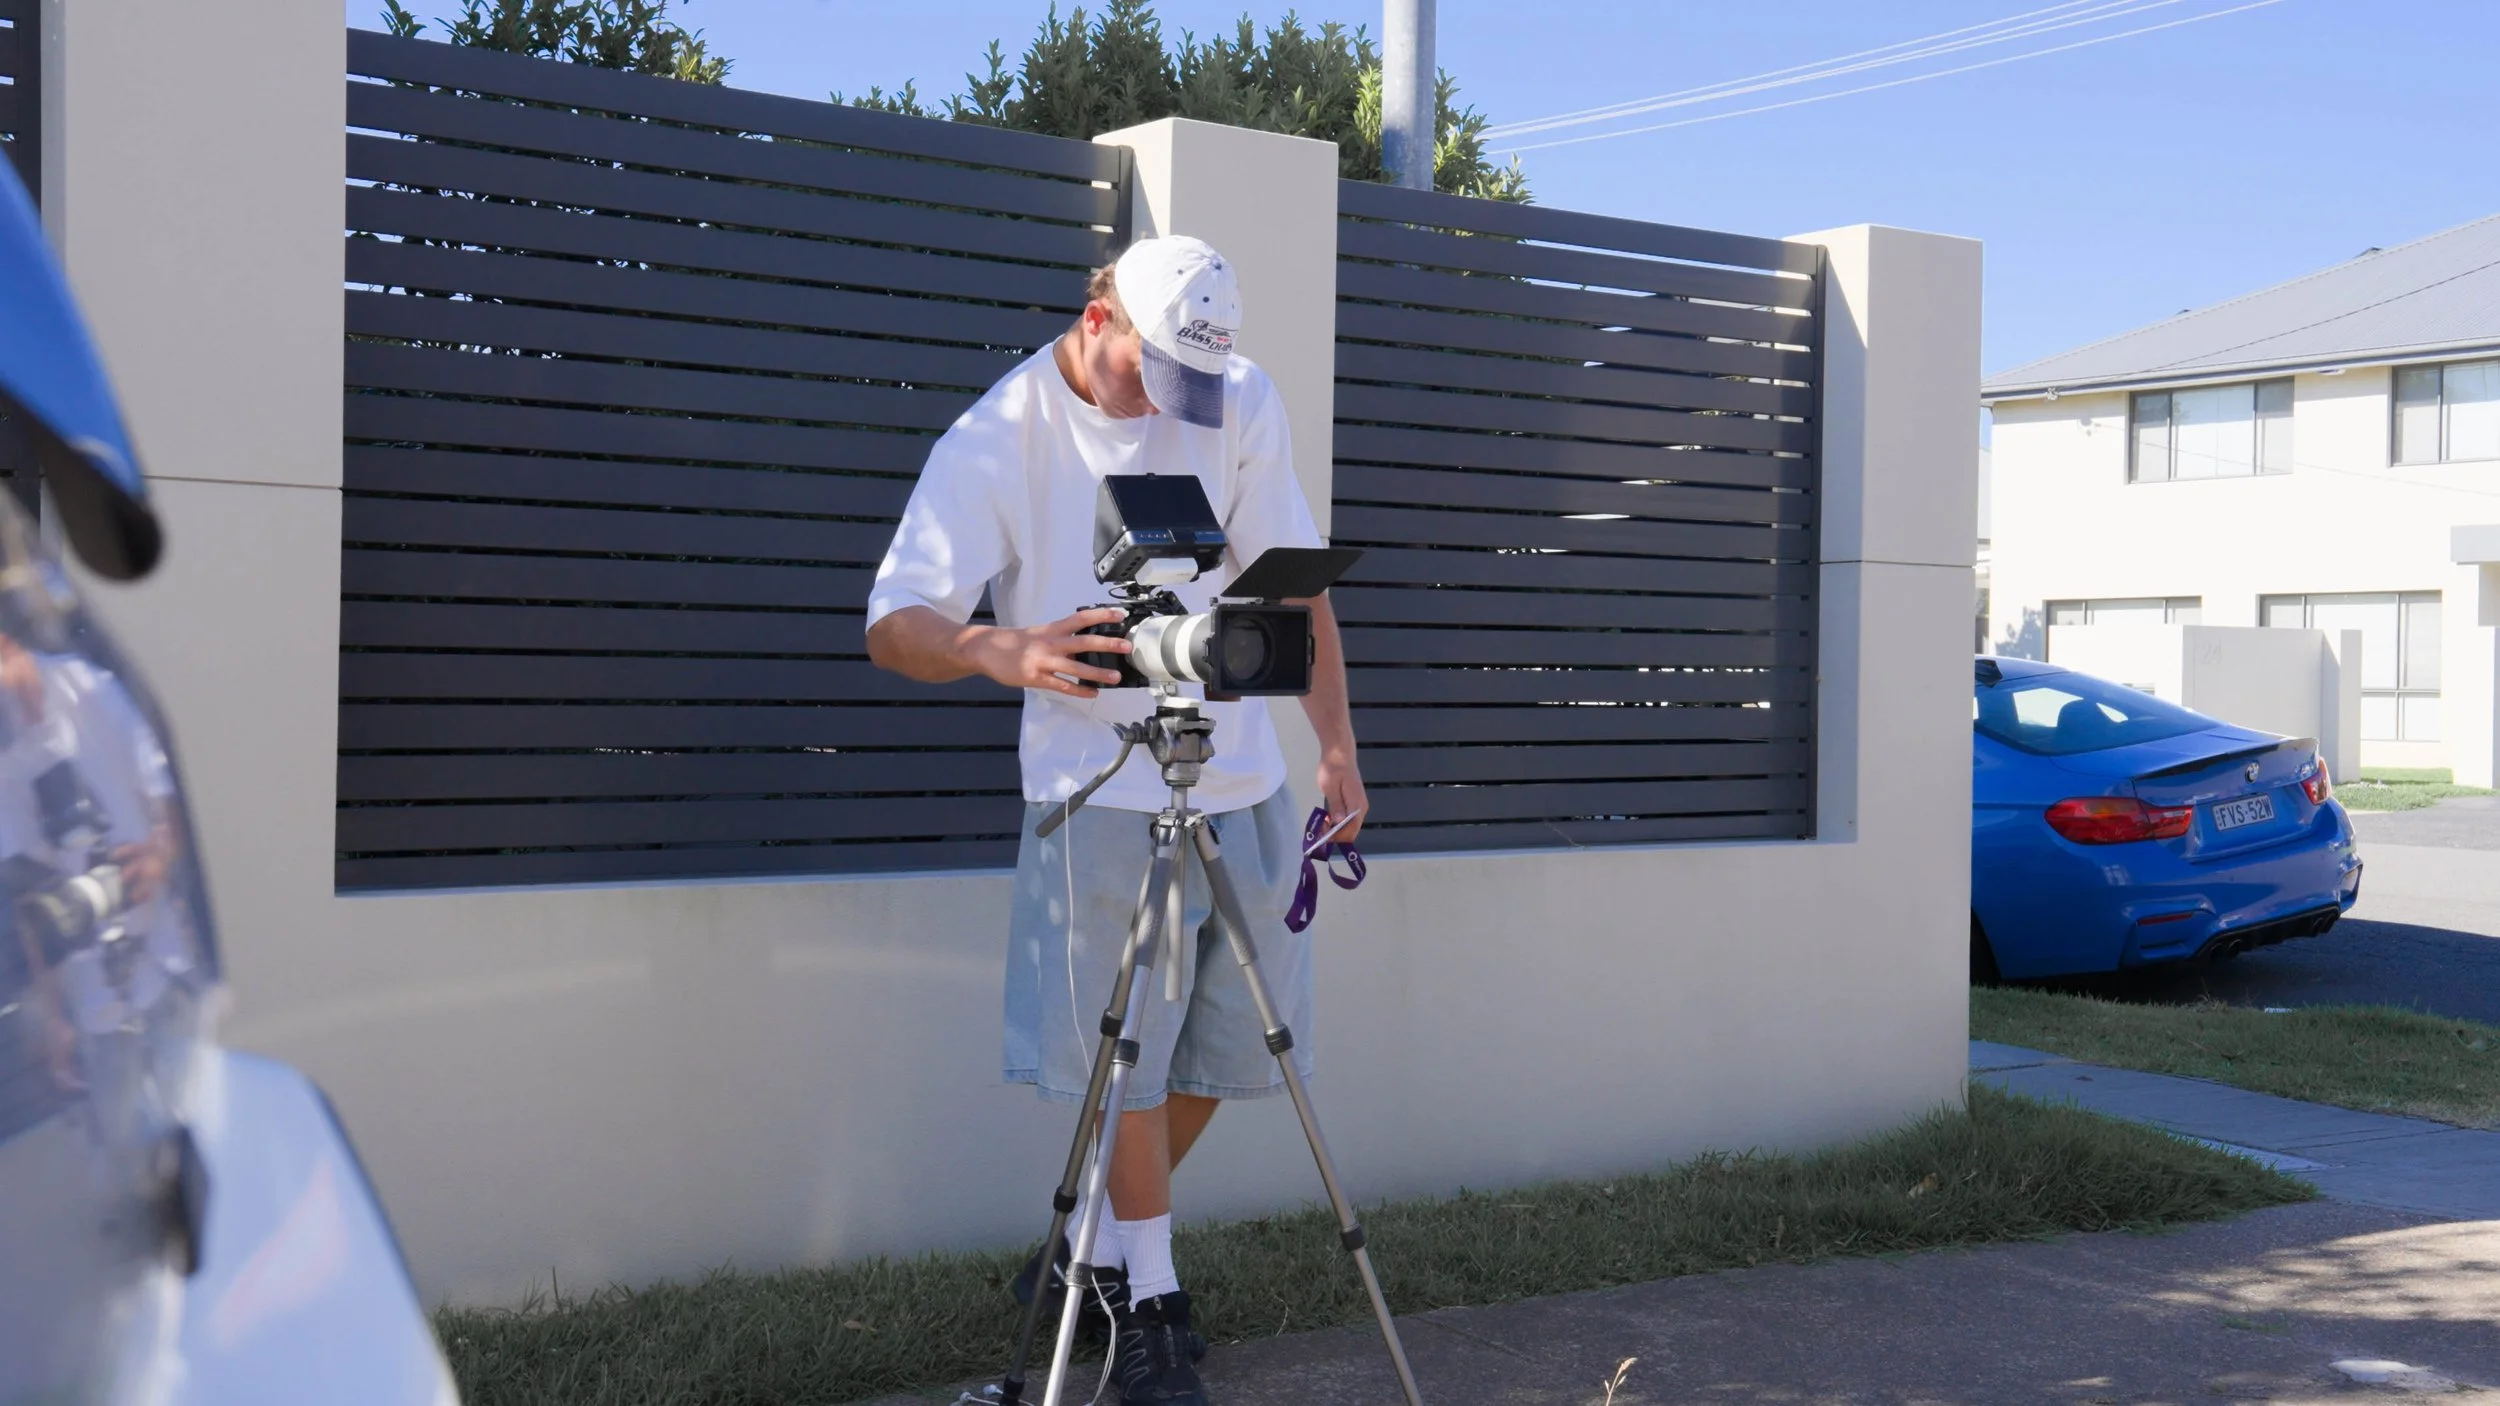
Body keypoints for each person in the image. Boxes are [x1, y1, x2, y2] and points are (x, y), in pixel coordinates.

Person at [864, 235, 1363, 1406]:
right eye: (1151, 375)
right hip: (1095, 790)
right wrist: (999, 647)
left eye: (1193, 383)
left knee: (1238, 1044)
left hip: (1238, 775)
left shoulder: (1235, 395)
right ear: (1099, 319)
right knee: (1124, 1057)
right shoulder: (1000, 433)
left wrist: (1335, 744)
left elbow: (1291, 582)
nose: (1170, 406)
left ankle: (1087, 1243)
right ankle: (1150, 1305)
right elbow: (893, 621)